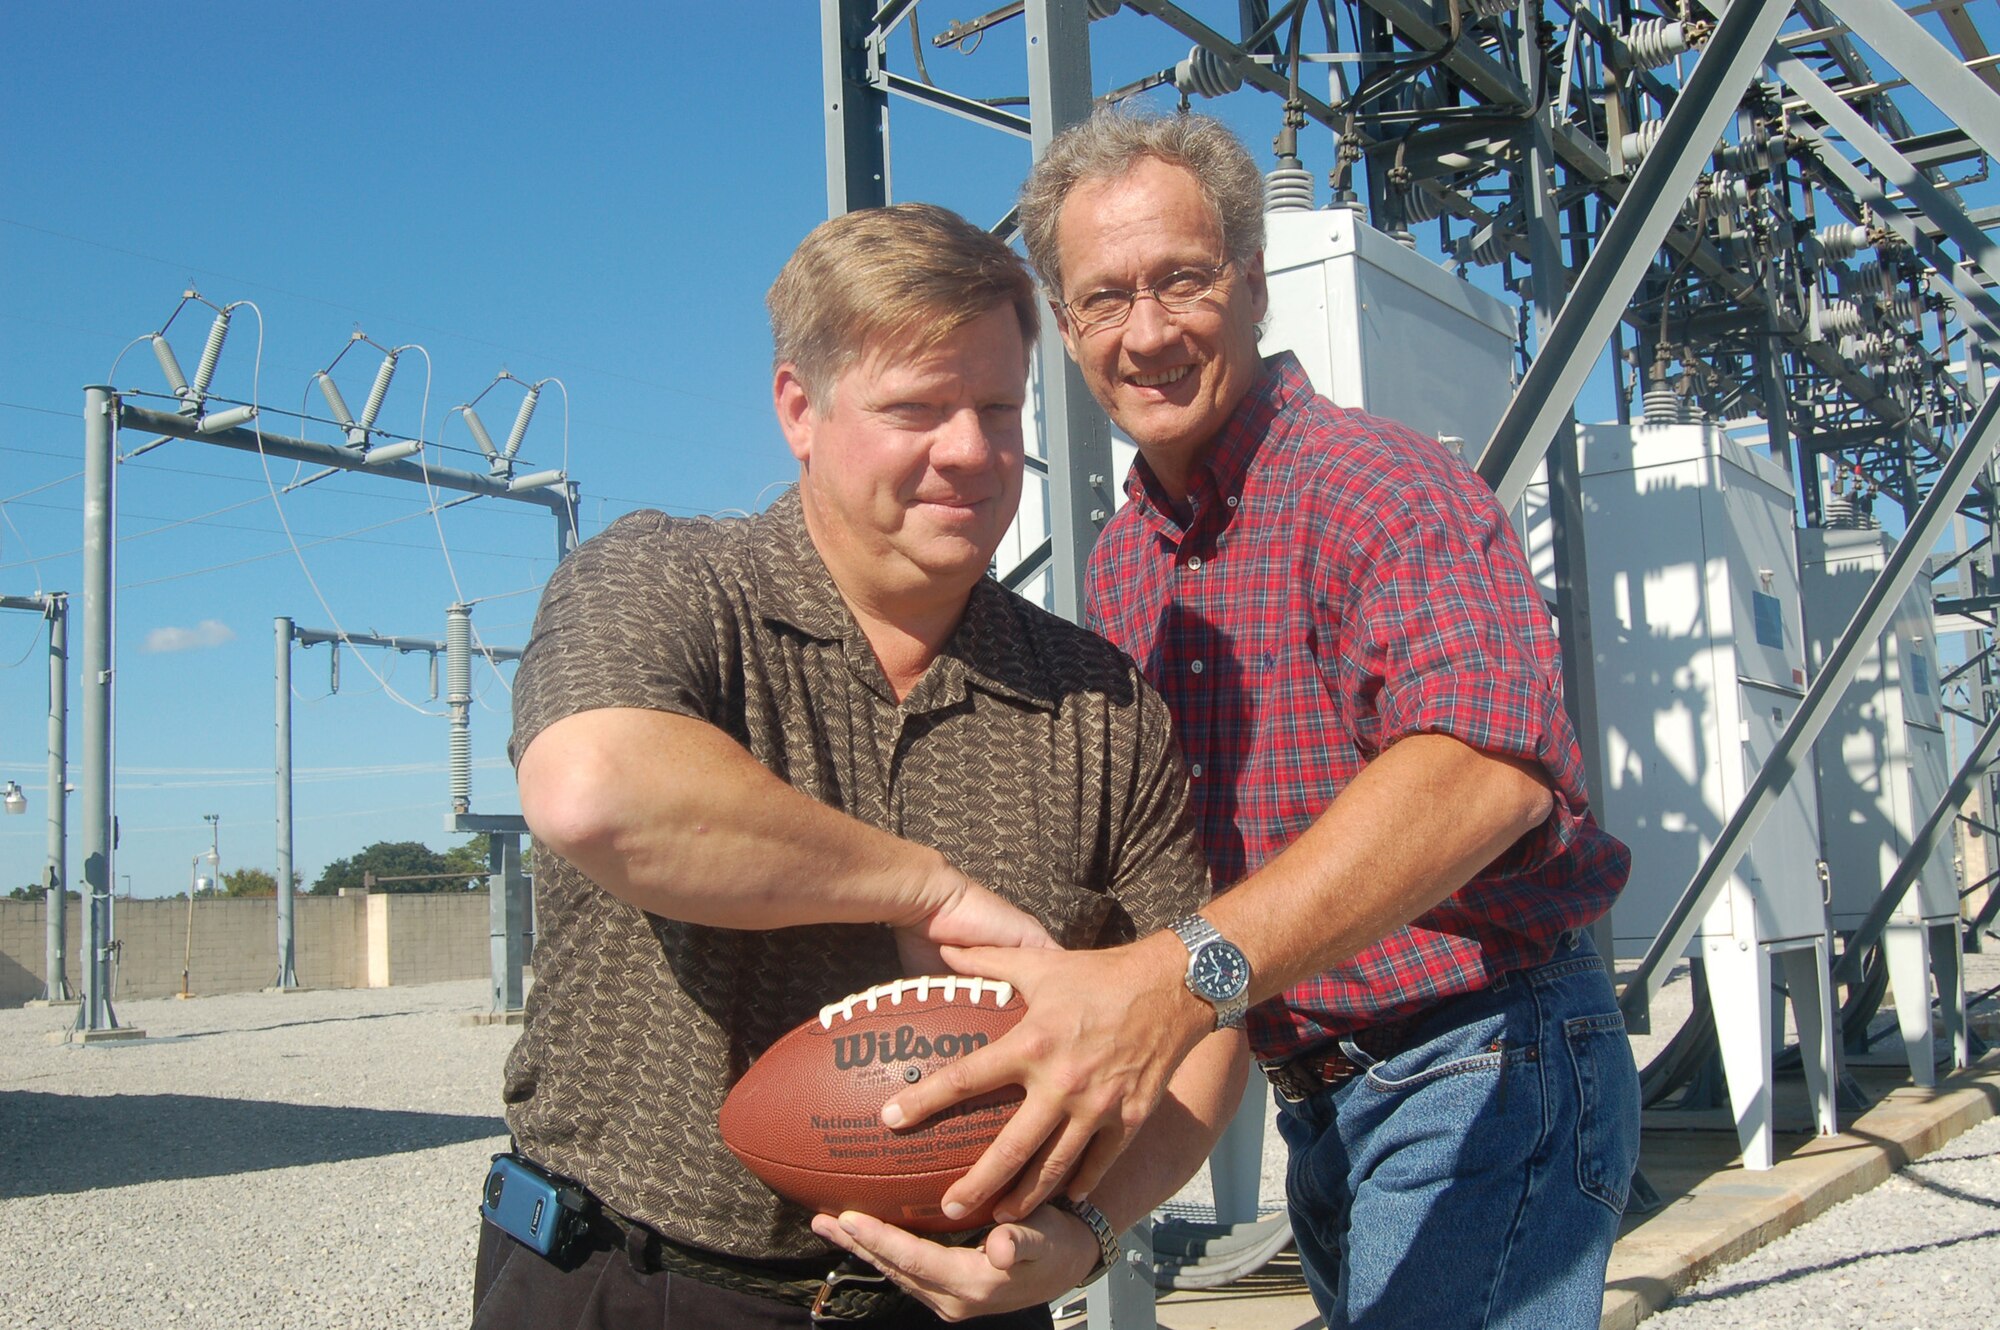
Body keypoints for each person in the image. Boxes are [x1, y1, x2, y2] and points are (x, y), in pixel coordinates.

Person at [880, 111, 1642, 1329]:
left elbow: (1484, 769)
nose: (1146, 333)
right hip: (1323, 1092)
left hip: (1484, 1051)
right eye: (1101, 299)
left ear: (1250, 280)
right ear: (1064, 330)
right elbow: (1158, 901)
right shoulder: (1127, 567)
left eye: (1180, 280)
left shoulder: (1375, 486)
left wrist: (1183, 973)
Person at [477, 201, 1246, 1330]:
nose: (971, 453)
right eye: (916, 409)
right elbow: (595, 788)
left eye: (995, 408)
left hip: (959, 1301)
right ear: (799, 406)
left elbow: (1208, 1010)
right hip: (632, 1282)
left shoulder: (1098, 700)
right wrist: (920, 886)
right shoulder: (666, 584)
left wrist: (1087, 1233)